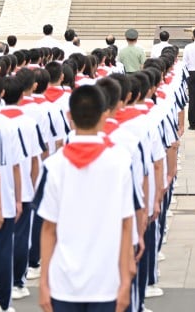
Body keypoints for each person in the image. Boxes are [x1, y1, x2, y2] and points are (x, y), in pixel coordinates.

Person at [37, 86, 134, 312]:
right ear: (105, 115)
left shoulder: (53, 165)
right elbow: (126, 224)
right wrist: (126, 278)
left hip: (64, 281)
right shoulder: (120, 163)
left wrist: (44, 282)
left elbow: (48, 228)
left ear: (69, 116)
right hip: (107, 280)